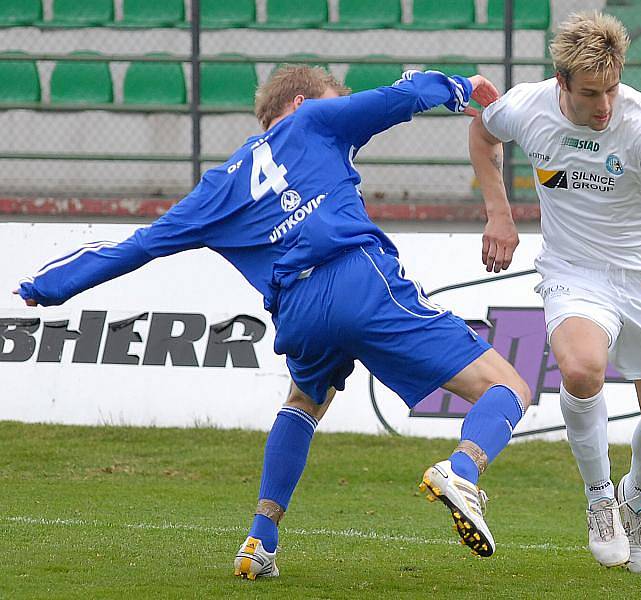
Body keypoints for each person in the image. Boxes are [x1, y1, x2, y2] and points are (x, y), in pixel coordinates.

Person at [14, 65, 532, 579]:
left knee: (304, 401)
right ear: (301, 104)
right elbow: (405, 95)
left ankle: (260, 539)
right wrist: (462, 87)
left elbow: (136, 247)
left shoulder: (216, 189)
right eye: (332, 99)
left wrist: (49, 286)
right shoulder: (315, 123)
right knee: (509, 387)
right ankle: (462, 471)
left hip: (299, 313)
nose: (338, 106)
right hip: (356, 278)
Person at [469, 12, 641, 574]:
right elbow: (483, 130)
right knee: (580, 371)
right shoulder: (528, 107)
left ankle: (637, 498)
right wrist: (499, 215)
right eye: (591, 94)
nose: (604, 106)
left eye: (612, 89)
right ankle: (600, 497)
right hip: (575, 271)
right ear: (562, 85)